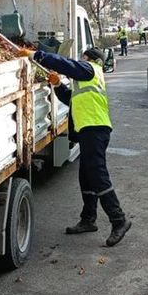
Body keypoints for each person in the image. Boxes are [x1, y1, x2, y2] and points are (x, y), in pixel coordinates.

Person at [17, 46, 132, 247]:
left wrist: (38, 55)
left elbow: (66, 65)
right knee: (86, 176)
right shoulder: (87, 78)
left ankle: (118, 219)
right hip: (91, 129)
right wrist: (58, 85)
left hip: (94, 128)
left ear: (92, 59)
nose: (80, 60)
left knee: (97, 175)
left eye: (83, 57)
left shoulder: (90, 69)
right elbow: (72, 99)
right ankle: (88, 219)